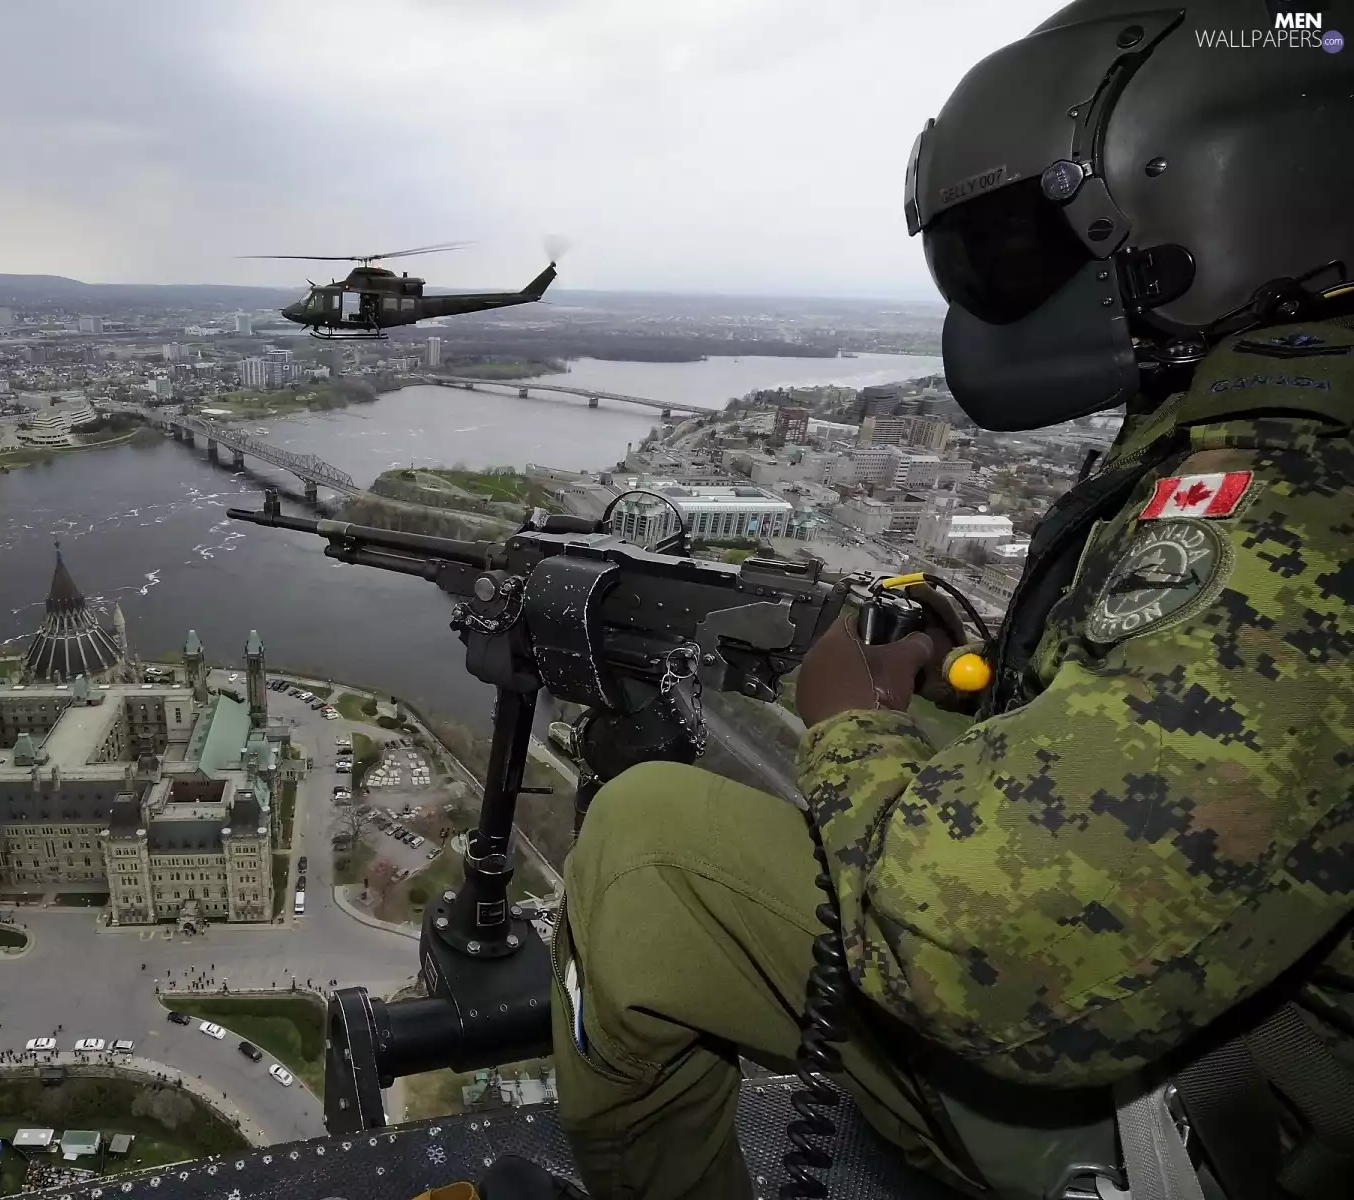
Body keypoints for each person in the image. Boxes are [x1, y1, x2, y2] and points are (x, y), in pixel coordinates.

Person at [550, 3, 1354, 1198]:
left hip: (1234, 1122)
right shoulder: (1275, 433)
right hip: (1255, 1037)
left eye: (1018, 246)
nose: (993, 289)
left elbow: (981, 950)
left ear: (1209, 202)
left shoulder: (1282, 500)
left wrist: (847, 720)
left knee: (645, 852)